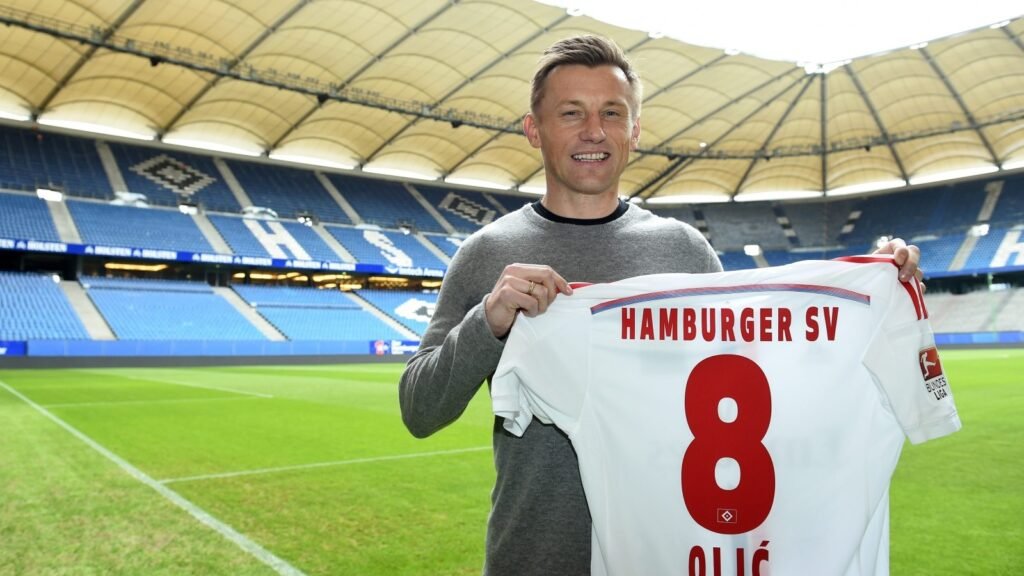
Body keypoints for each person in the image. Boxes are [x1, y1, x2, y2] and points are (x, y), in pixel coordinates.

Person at [399, 34, 922, 576]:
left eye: (612, 112)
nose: (594, 131)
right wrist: (487, 322)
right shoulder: (488, 254)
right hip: (536, 557)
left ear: (635, 130)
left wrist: (868, 293)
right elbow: (419, 410)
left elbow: (762, 378)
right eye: (571, 113)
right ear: (534, 129)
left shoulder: (684, 251)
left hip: (667, 553)